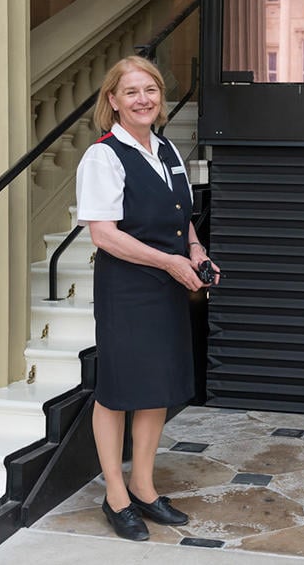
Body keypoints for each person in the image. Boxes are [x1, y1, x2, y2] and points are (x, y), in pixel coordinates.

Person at [74, 55, 218, 540]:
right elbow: (104, 235)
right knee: (117, 391)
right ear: (112, 100)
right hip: (128, 290)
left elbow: (184, 222)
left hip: (169, 284)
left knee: (154, 387)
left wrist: (196, 252)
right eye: (131, 92)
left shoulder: (168, 150)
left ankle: (143, 484)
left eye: (150, 90)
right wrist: (170, 262)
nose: (143, 99)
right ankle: (116, 495)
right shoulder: (103, 156)